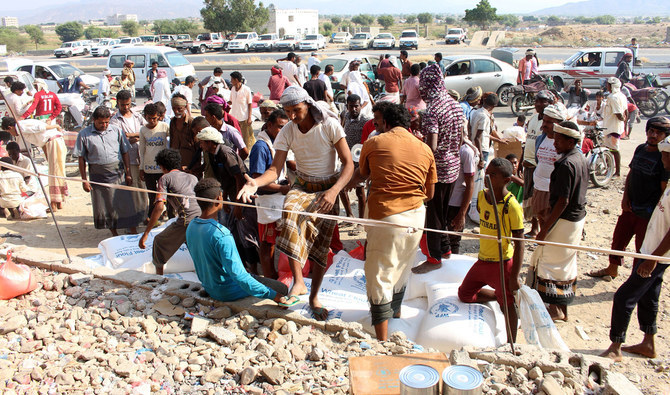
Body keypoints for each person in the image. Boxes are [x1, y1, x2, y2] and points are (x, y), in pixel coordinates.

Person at [237, 86, 354, 320]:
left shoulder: (329, 124)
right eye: (288, 111)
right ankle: (298, 282)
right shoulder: (288, 131)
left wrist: (333, 192)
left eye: (296, 110)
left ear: (308, 105)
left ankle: (314, 297)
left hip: (326, 189)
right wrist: (256, 183)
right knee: (289, 212)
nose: (291, 116)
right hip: (302, 186)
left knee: (321, 247)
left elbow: (348, 164)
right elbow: (274, 169)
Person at [345, 102, 436, 340]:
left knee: (379, 274)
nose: (375, 126)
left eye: (376, 122)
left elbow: (361, 175)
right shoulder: (425, 149)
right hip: (416, 217)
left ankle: (383, 341)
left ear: (385, 121)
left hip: (386, 217)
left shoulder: (374, 143)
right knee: (402, 268)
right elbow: (431, 193)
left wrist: (341, 187)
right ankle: (394, 318)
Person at [600, 135, 670, 362]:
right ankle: (648, 344)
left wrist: (652, 259)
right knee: (649, 295)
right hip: (653, 251)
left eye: (666, 154)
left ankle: (615, 347)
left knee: (623, 296)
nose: (662, 157)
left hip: (656, 254)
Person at [589, 117, 670, 280]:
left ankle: (636, 278)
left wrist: (655, 213)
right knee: (618, 239)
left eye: (659, 133)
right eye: (651, 131)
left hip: (648, 212)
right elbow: (631, 174)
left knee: (642, 249)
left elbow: (663, 189)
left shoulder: (665, 158)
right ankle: (612, 269)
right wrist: (625, 197)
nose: (653, 135)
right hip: (631, 207)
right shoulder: (641, 149)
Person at [186, 178, 288, 303]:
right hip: (226, 291)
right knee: (282, 288)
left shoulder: (191, 226)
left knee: (251, 275)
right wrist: (273, 295)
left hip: (209, 286)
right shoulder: (222, 234)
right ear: (219, 199)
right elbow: (239, 277)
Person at [458, 158, 524, 342]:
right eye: (487, 172)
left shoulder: (512, 206)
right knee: (464, 294)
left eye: (493, 175)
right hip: (483, 260)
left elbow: (520, 243)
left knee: (508, 305)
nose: (487, 177)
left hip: (502, 263)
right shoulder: (481, 197)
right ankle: (497, 295)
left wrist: (515, 276)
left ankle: (512, 342)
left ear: (506, 180)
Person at [528, 121, 588, 321]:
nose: (555, 143)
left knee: (550, 263)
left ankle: (555, 310)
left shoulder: (566, 164)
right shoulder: (580, 158)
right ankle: (563, 309)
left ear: (571, 141)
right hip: (575, 220)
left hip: (564, 220)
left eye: (560, 140)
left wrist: (545, 229)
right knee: (565, 263)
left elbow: (563, 201)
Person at [412, 63, 465, 274]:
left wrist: (420, 146)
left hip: (438, 169)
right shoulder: (454, 104)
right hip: (453, 166)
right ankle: (445, 249)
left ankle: (434, 258)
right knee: (442, 212)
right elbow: (460, 137)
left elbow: (432, 145)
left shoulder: (433, 109)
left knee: (433, 215)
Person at [74, 107, 143, 235]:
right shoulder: (84, 134)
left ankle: (132, 231)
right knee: (107, 205)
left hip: (118, 172)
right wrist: (84, 180)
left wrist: (128, 173)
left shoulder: (116, 131)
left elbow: (125, 152)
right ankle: (114, 233)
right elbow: (81, 159)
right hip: (98, 175)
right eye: (101, 123)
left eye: (106, 122)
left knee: (126, 203)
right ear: (94, 120)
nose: (104, 125)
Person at [138, 149, 200, 274]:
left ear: (162, 166)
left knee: (159, 242)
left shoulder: (165, 178)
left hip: (186, 220)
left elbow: (160, 206)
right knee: (192, 245)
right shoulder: (192, 177)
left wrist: (146, 233)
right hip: (200, 218)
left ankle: (159, 277)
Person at [249, 109, 291, 278]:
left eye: (285, 127)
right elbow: (258, 180)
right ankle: (269, 276)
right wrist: (281, 188)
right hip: (267, 201)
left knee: (276, 240)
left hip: (277, 199)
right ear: (269, 125)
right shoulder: (261, 147)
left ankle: (275, 274)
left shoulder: (276, 143)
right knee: (267, 243)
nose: (282, 131)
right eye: (280, 127)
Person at [1, 117, 68, 211]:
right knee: (55, 171)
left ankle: (54, 204)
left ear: (10, 127)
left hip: (53, 142)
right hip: (48, 144)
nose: (11, 134)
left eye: (9, 132)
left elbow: (40, 127)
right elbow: (42, 140)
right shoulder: (21, 128)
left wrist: (56, 126)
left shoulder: (21, 126)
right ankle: (58, 201)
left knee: (55, 173)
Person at [522, 91, 553, 238]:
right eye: (537, 101)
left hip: (540, 165)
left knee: (540, 199)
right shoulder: (533, 118)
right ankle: (534, 229)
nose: (539, 104)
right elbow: (528, 140)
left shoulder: (550, 122)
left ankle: (542, 230)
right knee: (530, 198)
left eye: (543, 101)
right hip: (528, 163)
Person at [532, 104, 566, 234]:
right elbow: (538, 160)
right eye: (544, 121)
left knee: (553, 224)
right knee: (541, 218)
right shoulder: (541, 138)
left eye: (549, 122)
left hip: (553, 189)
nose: (544, 124)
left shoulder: (564, 142)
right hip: (539, 186)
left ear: (558, 124)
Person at [339, 94, 372, 219]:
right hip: (347, 159)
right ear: (347, 106)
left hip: (360, 160)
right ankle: (349, 216)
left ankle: (361, 219)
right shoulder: (345, 116)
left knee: (359, 191)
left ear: (360, 106)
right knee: (341, 187)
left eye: (356, 106)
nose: (354, 109)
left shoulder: (366, 120)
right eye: (351, 106)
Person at [446, 132, 478, 255]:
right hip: (444, 201)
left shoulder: (466, 152)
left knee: (453, 240)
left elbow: (470, 184)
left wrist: (462, 214)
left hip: (456, 203)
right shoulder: (445, 146)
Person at [139, 103, 170, 220]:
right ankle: (153, 217)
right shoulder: (143, 130)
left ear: (159, 116)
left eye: (154, 118)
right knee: (152, 194)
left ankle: (164, 212)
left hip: (162, 168)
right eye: (149, 118)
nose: (152, 121)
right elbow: (141, 150)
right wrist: (141, 168)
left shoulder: (164, 127)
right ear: (145, 117)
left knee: (163, 193)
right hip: (149, 168)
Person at [603, 77, 628, 177]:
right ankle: (609, 169)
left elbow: (618, 113)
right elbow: (626, 111)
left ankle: (617, 172)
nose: (606, 86)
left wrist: (622, 120)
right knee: (609, 149)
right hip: (613, 127)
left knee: (614, 150)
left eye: (608, 84)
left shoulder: (613, 97)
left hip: (612, 127)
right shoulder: (622, 95)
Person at [169, 94, 196, 170]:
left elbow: (197, 147)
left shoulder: (192, 122)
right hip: (176, 165)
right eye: (174, 108)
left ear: (185, 107)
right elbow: (171, 142)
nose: (176, 111)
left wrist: (194, 167)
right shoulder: (172, 123)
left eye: (179, 109)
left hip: (190, 164)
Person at [229, 71, 254, 149]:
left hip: (244, 118)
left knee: (245, 137)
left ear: (236, 80)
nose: (231, 81)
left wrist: (249, 117)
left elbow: (250, 104)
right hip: (235, 117)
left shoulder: (246, 89)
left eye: (232, 79)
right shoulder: (233, 89)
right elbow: (231, 101)